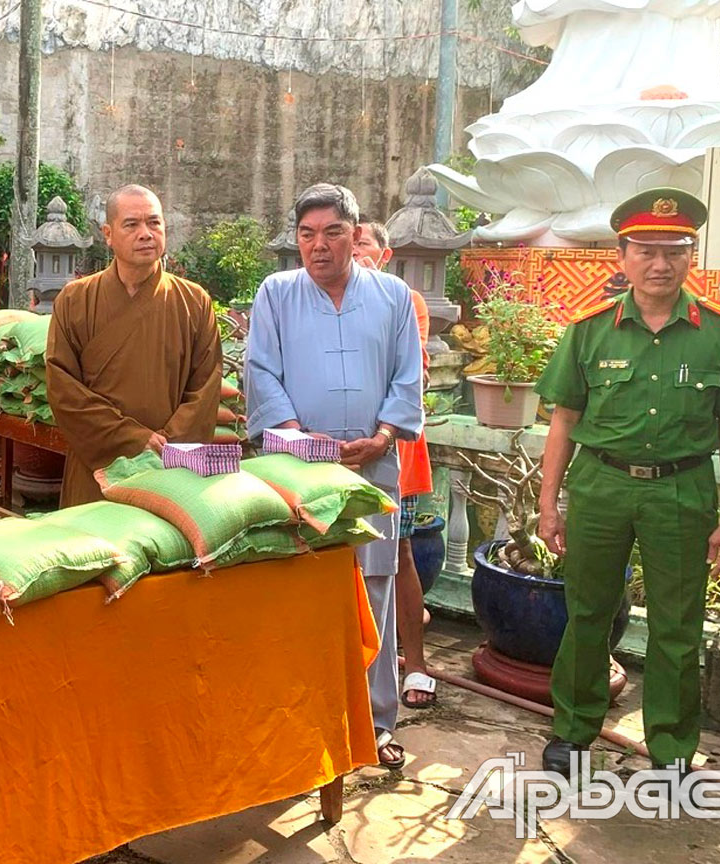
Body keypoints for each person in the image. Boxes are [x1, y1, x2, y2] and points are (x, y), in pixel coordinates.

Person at [536, 188, 720, 777]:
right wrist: (548, 504)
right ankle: (574, 729)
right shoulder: (589, 331)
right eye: (646, 250)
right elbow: (563, 421)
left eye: (675, 250)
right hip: (600, 487)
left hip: (683, 490)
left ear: (692, 255)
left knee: (678, 623)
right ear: (623, 256)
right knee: (587, 611)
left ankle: (670, 748)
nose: (660, 263)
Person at [246, 183, 424, 770]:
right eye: (307, 235)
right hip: (299, 470)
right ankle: (300, 720)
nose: (318, 246)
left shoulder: (394, 296)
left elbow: (406, 377)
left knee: (374, 587)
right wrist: (298, 436)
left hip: (372, 466)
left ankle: (375, 723)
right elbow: (261, 372)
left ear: (355, 234)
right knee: (301, 587)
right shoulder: (277, 293)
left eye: (332, 232)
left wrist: (383, 436)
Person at [45, 184, 223, 507]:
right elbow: (63, 390)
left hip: (170, 471)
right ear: (108, 234)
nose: (146, 233)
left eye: (154, 223)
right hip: (96, 470)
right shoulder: (74, 301)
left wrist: (164, 447)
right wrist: (134, 440)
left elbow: (206, 390)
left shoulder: (194, 303)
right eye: (132, 224)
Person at [355, 220, 438, 710]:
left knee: (399, 554)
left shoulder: (405, 300)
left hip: (394, 449)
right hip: (333, 450)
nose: (356, 252)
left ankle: (417, 663)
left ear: (383, 256)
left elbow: (409, 373)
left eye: (363, 244)